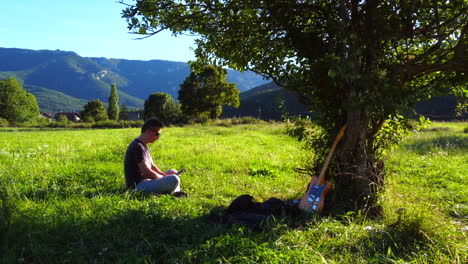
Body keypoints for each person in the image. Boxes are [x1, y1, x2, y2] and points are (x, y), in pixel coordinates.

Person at [124, 117, 186, 197]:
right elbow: (147, 172)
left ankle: (173, 192)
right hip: (137, 186)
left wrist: (164, 175)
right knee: (174, 179)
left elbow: (152, 166)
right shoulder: (138, 147)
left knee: (172, 171)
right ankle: (173, 193)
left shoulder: (144, 145)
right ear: (149, 131)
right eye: (157, 134)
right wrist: (162, 177)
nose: (158, 137)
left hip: (147, 181)